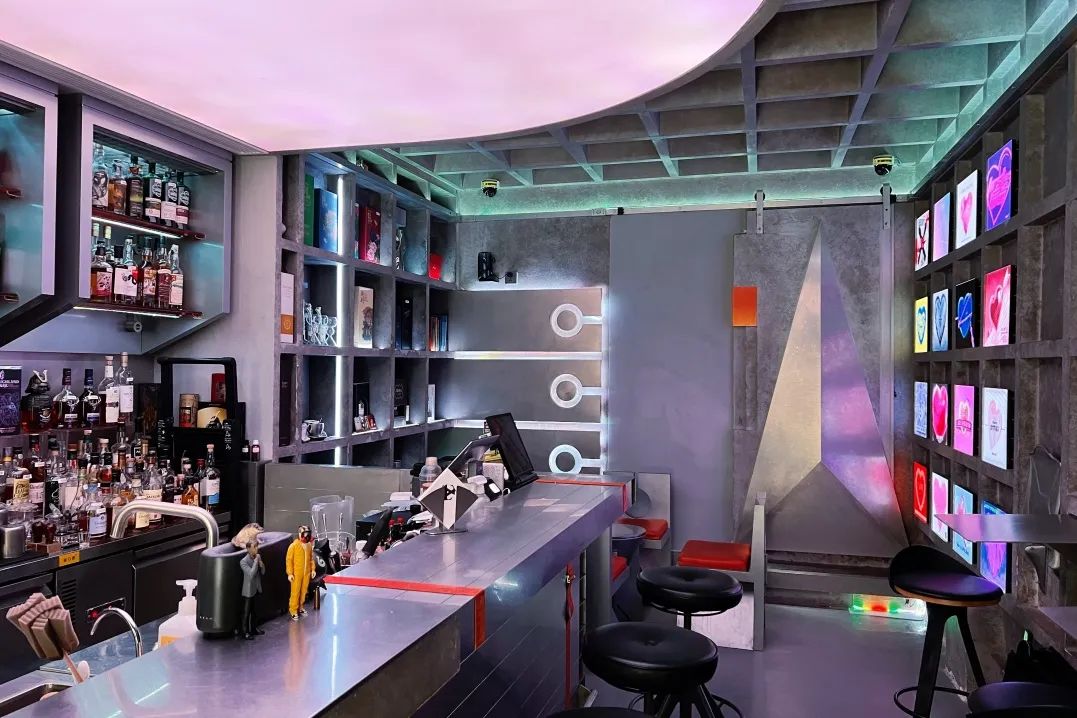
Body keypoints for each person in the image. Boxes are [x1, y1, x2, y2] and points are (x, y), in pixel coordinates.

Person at [286, 525, 315, 620]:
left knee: (304, 591)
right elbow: (289, 561)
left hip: (306, 573)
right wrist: (290, 573)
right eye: (305, 534)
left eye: (308, 534)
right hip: (296, 574)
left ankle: (301, 607)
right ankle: (293, 610)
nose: (306, 536)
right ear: (300, 534)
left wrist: (313, 569)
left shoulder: (309, 545)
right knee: (295, 592)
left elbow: (311, 559)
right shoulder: (293, 546)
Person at [239, 539, 265, 640]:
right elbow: (251, 574)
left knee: (255, 611)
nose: (257, 549)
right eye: (255, 547)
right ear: (248, 549)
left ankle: (254, 628)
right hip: (248, 591)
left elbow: (263, 572)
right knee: (246, 613)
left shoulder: (258, 557)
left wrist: (262, 565)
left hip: (256, 588)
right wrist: (256, 562)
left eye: (257, 546)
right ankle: (244, 632)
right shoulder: (243, 561)